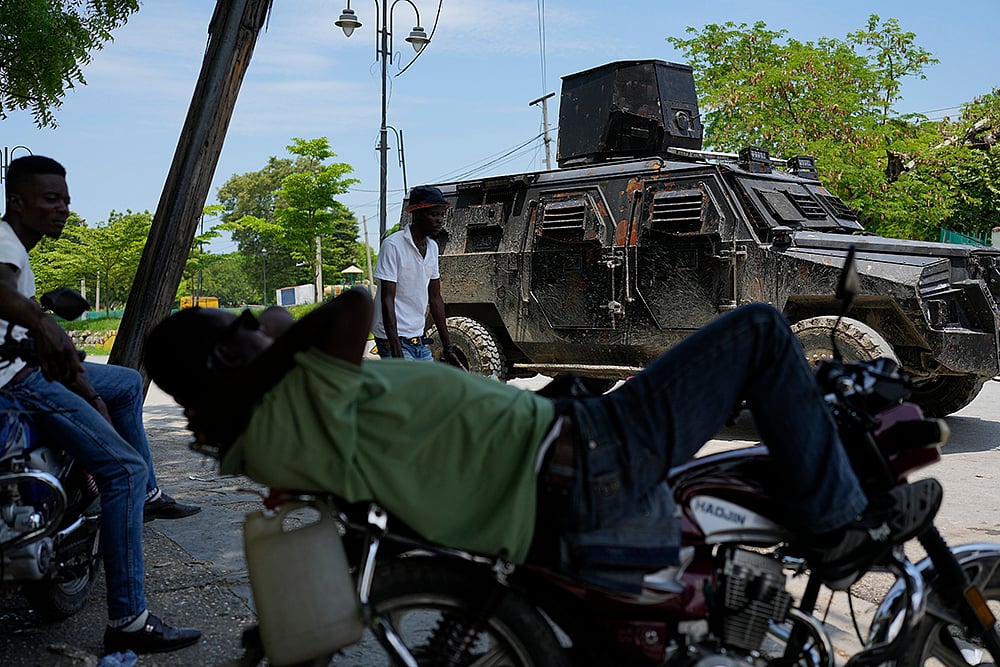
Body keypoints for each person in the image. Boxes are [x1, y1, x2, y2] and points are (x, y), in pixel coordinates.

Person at [145, 287, 941, 593]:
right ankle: (839, 529)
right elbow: (350, 307)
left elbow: (308, 327)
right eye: (239, 326)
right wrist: (273, 339)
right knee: (764, 330)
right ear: (225, 358)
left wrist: (262, 348)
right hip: (586, 455)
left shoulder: (266, 426)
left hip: (561, 454)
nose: (259, 323)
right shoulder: (290, 396)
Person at [0, 156, 201, 654]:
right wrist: (44, 324)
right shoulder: (4, 243)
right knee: (124, 472)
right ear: (17, 201)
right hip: (18, 382)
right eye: (50, 199)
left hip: (28, 368)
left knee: (128, 384)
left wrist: (50, 334)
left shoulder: (17, 248)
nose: (61, 209)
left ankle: (147, 495)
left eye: (65, 200)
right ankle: (129, 620)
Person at [371, 184, 465, 367]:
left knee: (430, 390)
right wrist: (396, 350)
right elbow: (387, 300)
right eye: (434, 214)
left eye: (441, 215)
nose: (440, 220)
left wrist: (448, 348)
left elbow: (436, 298)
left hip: (417, 338)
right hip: (392, 339)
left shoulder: (432, 248)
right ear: (417, 214)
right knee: (411, 392)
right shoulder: (393, 245)